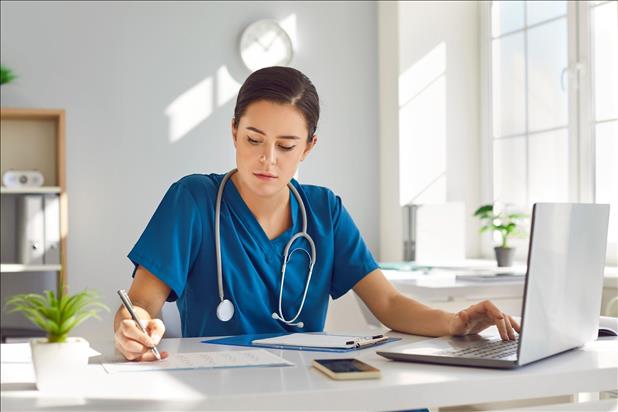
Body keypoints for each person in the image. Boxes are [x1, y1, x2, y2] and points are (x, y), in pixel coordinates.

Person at [114, 66, 520, 361]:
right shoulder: (193, 200)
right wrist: (132, 329)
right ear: (234, 131)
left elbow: (389, 304)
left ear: (308, 147)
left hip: (309, 384)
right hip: (222, 389)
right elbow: (141, 303)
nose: (267, 159)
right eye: (253, 139)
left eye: (287, 146)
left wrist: (455, 322)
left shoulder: (324, 210)